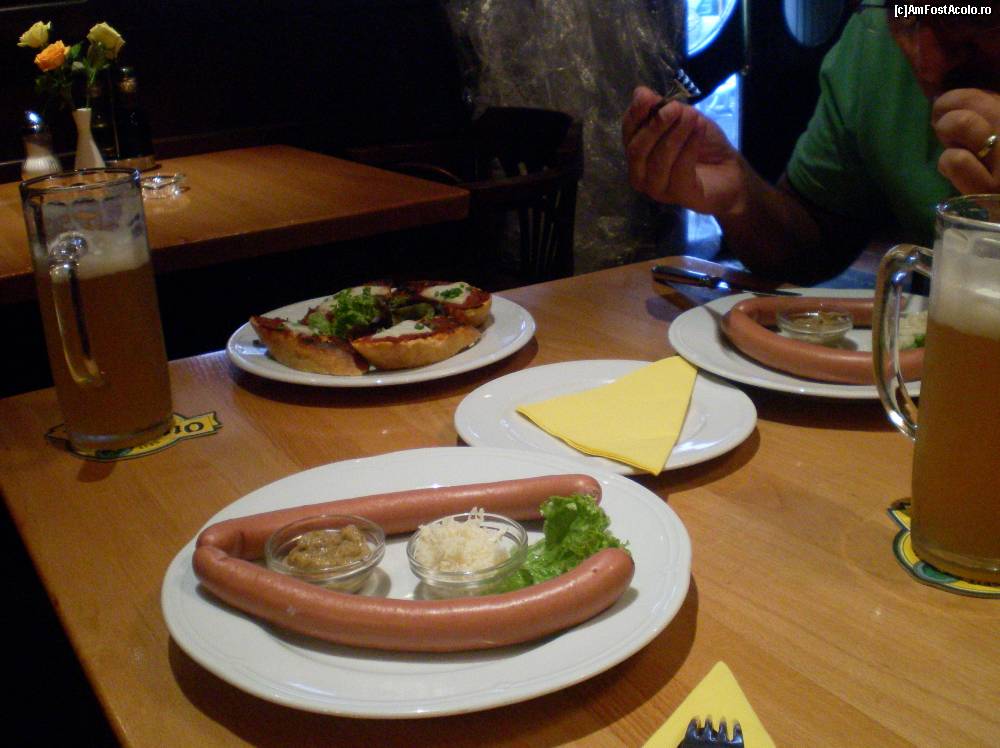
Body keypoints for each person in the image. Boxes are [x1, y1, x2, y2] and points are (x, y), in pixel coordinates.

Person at [622, 2, 1000, 283]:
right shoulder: (872, 43)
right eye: (906, 15)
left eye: (974, 18)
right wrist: (739, 196)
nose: (927, 63)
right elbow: (813, 245)